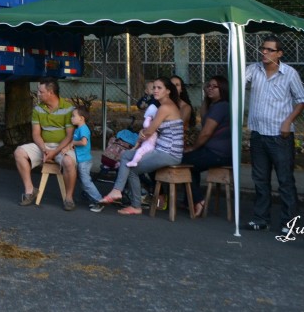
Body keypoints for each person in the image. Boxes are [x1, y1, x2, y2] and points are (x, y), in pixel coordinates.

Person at [245, 35, 304, 232]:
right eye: (263, 49)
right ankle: (261, 218)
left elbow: (302, 99)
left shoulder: (289, 73)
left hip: (280, 136)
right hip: (258, 133)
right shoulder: (254, 69)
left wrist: (288, 121)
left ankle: (289, 223)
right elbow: (238, 81)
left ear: (279, 53)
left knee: (285, 180)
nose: (264, 52)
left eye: (269, 50)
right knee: (260, 179)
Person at [99, 77, 184, 215]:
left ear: (168, 91)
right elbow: (151, 130)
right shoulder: (165, 106)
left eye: (159, 88)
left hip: (169, 153)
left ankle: (135, 205)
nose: (155, 90)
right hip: (162, 149)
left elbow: (150, 131)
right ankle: (117, 191)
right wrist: (143, 132)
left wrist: (143, 132)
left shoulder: (165, 107)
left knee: (132, 170)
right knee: (126, 155)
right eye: (154, 87)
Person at [14, 77, 77, 211]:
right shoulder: (38, 109)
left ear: (51, 92)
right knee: (19, 152)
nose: (38, 94)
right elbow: (36, 134)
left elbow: (69, 135)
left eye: (40, 91)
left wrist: (54, 152)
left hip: (62, 146)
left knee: (69, 162)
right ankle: (30, 191)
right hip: (44, 146)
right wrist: (44, 149)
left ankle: (69, 197)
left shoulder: (68, 108)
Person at [181, 75, 231, 217]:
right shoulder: (217, 106)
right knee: (192, 165)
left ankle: (198, 200)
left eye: (215, 87)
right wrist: (205, 96)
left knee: (184, 161)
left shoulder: (221, 106)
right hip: (217, 152)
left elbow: (205, 133)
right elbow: (204, 118)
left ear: (223, 89)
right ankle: (188, 201)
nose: (210, 88)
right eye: (209, 86)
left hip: (217, 154)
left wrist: (194, 147)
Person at [70, 106, 103, 211]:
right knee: (84, 181)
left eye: (73, 116)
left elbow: (84, 142)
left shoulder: (83, 129)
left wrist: (73, 143)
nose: (71, 118)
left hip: (84, 161)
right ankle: (93, 199)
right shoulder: (78, 129)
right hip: (82, 160)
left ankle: (99, 201)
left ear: (81, 118)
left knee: (86, 182)